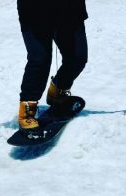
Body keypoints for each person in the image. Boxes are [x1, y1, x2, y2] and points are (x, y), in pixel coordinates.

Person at [17, 0, 88, 133]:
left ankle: (57, 91)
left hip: (70, 10)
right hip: (34, 12)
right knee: (39, 58)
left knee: (77, 57)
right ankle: (27, 110)